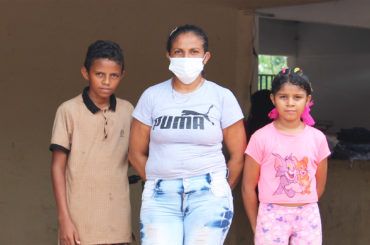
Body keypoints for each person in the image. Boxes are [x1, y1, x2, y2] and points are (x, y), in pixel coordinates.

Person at [129, 24, 246, 245]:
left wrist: (218, 188)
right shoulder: (151, 96)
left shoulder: (222, 97)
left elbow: (238, 155)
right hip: (161, 199)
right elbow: (135, 152)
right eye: (179, 52)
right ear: (168, 56)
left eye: (194, 52)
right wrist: (160, 181)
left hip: (209, 195)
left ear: (206, 56)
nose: (186, 57)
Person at [50, 40, 133, 245]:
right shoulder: (68, 111)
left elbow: (136, 155)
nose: (106, 81)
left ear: (122, 75)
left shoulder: (128, 111)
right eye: (99, 74)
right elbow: (57, 167)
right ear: (85, 73)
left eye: (113, 75)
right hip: (79, 226)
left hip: (118, 224)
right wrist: (64, 219)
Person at [242, 67, 330, 244]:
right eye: (283, 97)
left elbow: (319, 185)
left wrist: (302, 201)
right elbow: (247, 187)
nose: (290, 103)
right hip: (270, 214)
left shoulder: (317, 138)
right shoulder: (260, 138)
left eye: (297, 97)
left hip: (308, 215)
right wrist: (256, 224)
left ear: (308, 100)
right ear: (273, 99)